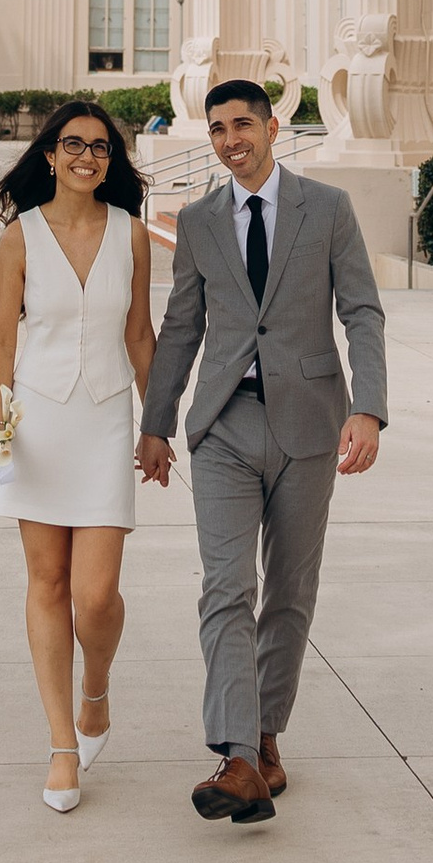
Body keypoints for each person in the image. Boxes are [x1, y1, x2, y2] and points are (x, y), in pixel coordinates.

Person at [136, 77, 387, 824]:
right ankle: (238, 754)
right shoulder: (202, 220)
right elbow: (182, 327)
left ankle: (266, 740)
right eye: (217, 129)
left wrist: (368, 408)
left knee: (288, 592)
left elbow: (362, 310)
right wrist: (157, 423)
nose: (229, 139)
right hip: (224, 426)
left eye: (242, 124)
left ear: (274, 128)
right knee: (225, 589)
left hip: (310, 422)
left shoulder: (327, 208)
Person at [0, 97, 156, 810]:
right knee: (47, 583)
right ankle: (61, 745)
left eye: (101, 148)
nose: (88, 156)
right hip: (39, 424)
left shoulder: (132, 234)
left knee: (94, 594)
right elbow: (0, 342)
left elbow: (141, 337)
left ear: (111, 163)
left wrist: (159, 425)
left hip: (108, 419)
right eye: (74, 144)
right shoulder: (19, 238)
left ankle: (97, 689)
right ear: (49, 155)